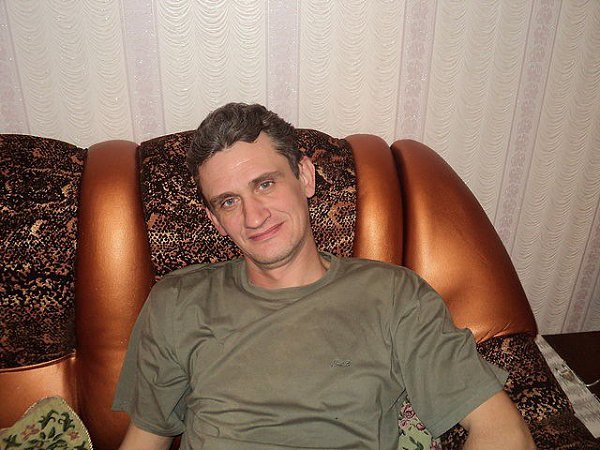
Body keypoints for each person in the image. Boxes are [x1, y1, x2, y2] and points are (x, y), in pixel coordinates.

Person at [113, 103, 536, 449]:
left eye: (265, 184)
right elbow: (146, 438)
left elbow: (502, 432)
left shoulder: (392, 295)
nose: (254, 217)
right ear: (215, 220)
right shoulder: (177, 299)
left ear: (305, 176)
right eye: (228, 201)